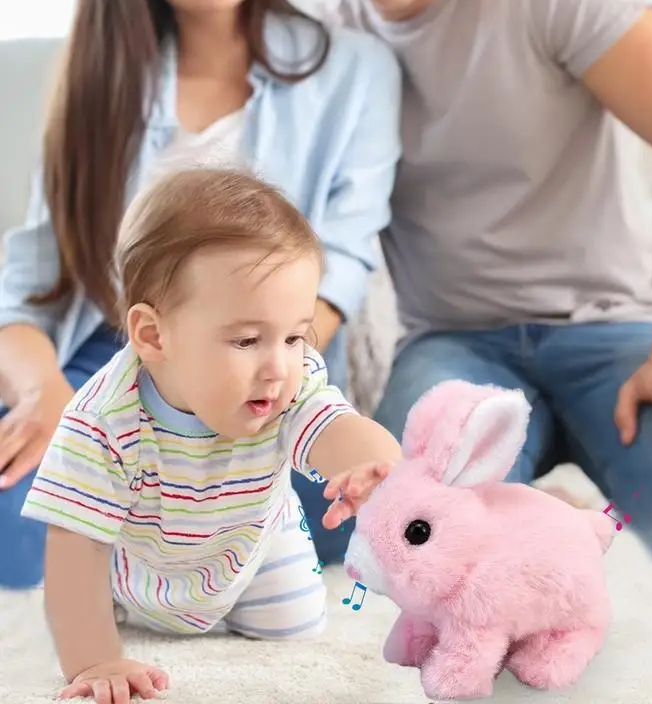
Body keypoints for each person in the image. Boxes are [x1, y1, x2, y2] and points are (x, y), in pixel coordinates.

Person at [310, 0, 652, 567]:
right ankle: (546, 507)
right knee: (396, 539)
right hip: (456, 345)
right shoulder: (334, 49)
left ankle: (560, 476)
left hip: (610, 326)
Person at [0, 0, 401, 588]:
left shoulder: (353, 68)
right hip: (115, 360)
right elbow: (25, 281)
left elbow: (344, 263)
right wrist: (47, 392)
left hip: (267, 359)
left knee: (352, 520)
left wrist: (251, 374)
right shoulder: (100, 85)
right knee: (22, 546)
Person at [22, 169, 401, 704]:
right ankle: (120, 610)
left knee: (298, 621)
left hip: (256, 548)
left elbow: (334, 425)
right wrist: (95, 659)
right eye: (247, 339)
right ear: (154, 336)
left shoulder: (287, 383)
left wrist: (375, 467)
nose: (279, 365)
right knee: (85, 604)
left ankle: (247, 596)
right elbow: (74, 543)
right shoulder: (104, 419)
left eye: (295, 335)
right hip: (140, 563)